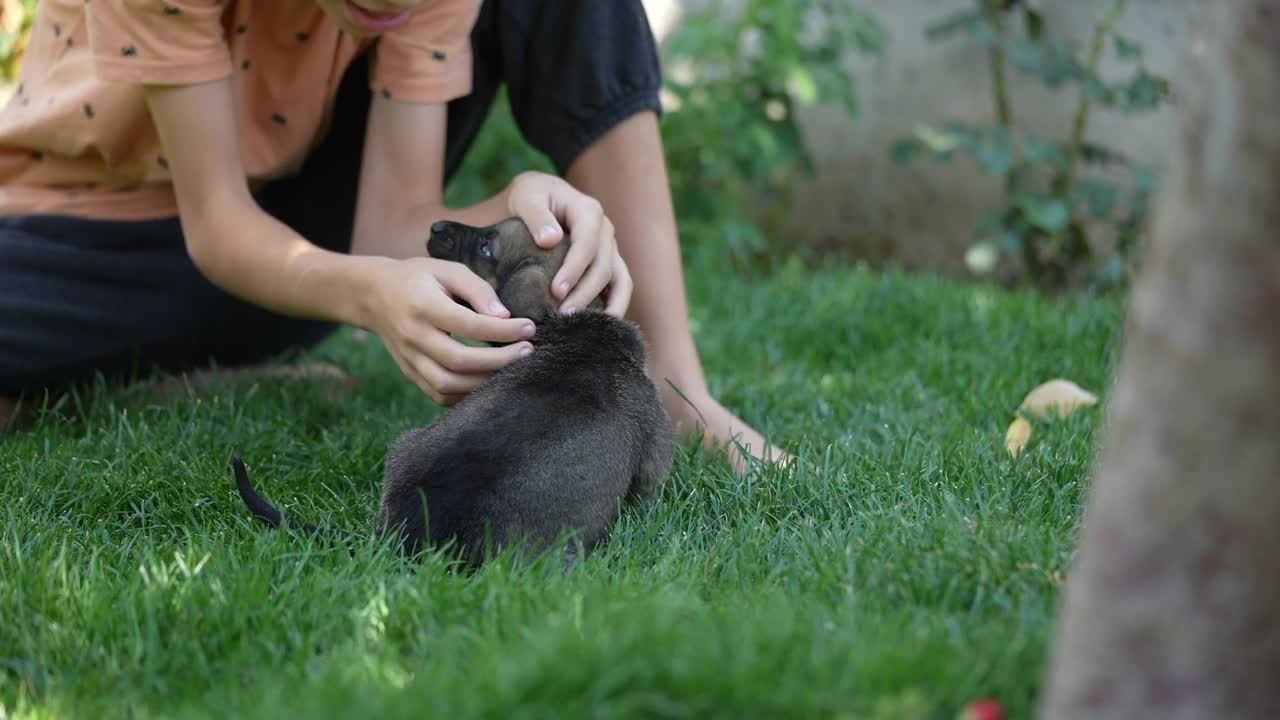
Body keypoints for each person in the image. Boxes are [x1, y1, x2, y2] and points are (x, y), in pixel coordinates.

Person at [0, 0, 788, 473]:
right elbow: (219, 226)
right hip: (86, 242)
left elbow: (389, 226)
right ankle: (178, 377)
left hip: (293, 248)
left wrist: (521, 209)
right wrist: (367, 294)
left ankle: (679, 396)